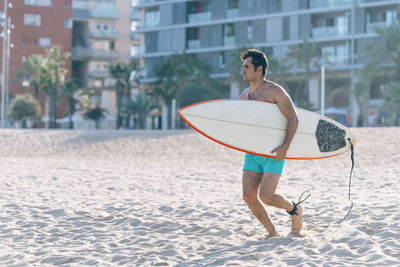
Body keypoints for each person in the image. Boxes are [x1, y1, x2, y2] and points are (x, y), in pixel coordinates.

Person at [238, 49, 302, 238]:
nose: (243, 70)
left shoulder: (274, 91)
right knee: (248, 196)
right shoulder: (244, 95)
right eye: (242, 67)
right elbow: (236, 123)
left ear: (259, 69)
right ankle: (272, 232)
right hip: (253, 152)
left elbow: (293, 119)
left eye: (247, 67)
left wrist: (285, 147)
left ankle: (294, 209)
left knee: (266, 197)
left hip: (274, 151)